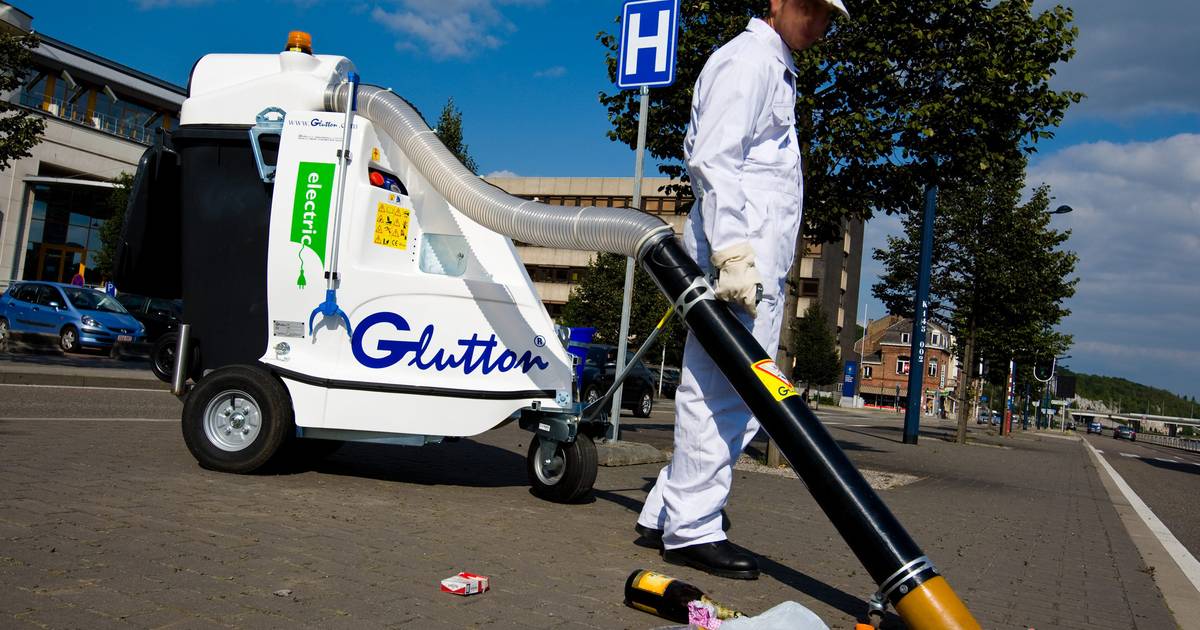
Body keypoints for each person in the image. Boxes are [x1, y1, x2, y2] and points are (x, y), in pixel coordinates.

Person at [635, 0, 848, 580]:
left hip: (751, 270)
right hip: (739, 271)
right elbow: (713, 158)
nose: (820, 23)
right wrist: (732, 252)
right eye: (812, 8)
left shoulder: (771, 65)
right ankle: (693, 531)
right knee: (724, 400)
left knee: (728, 398)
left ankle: (664, 513)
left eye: (829, 15)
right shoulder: (749, 61)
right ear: (777, 2)